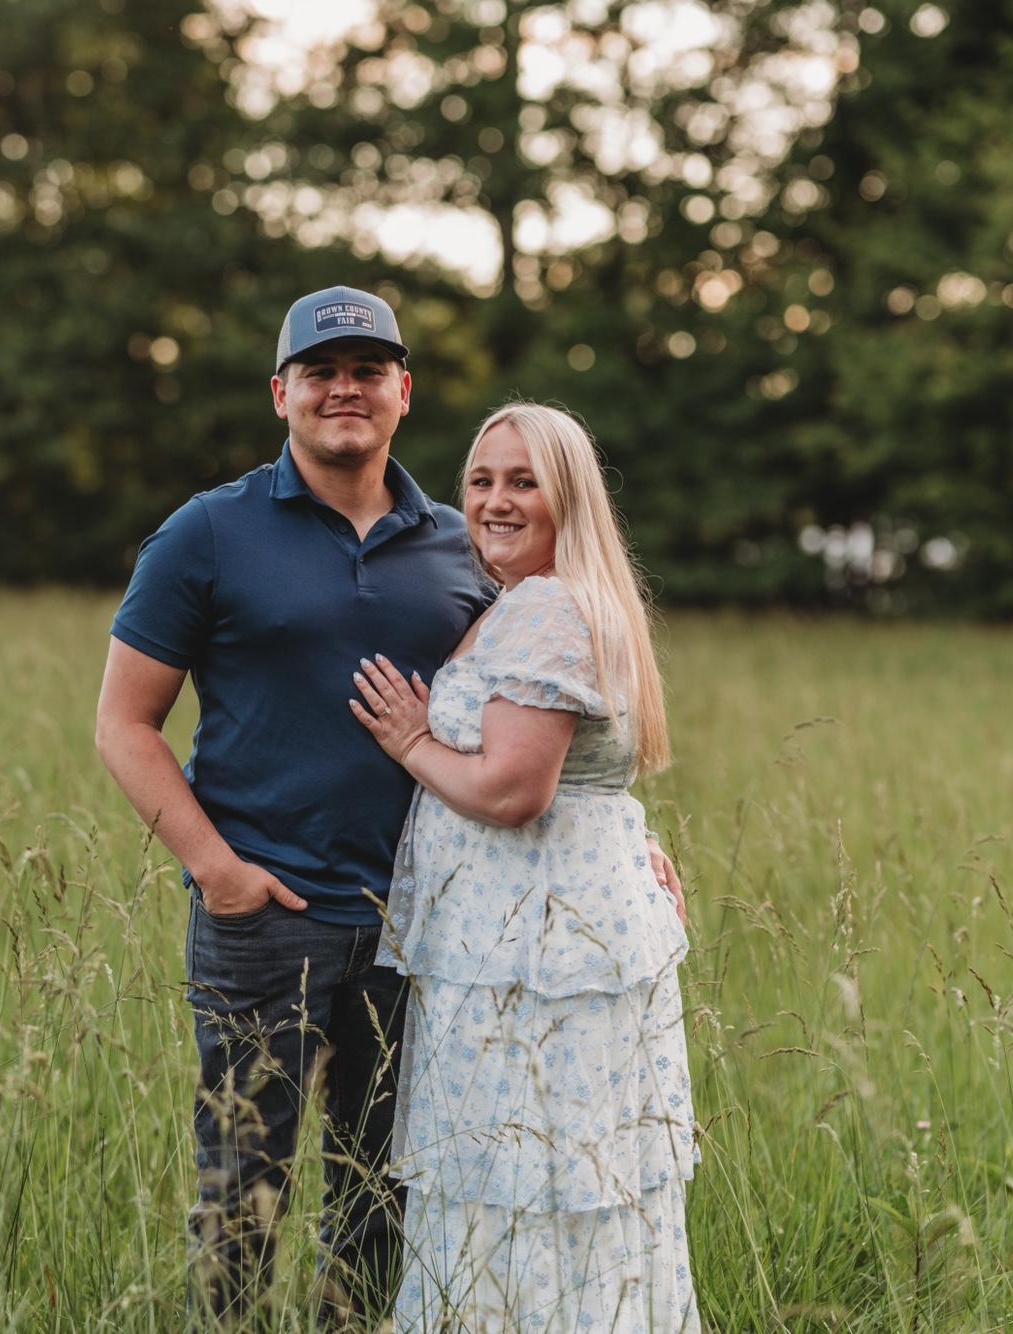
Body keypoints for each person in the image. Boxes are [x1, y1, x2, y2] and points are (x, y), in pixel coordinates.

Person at [95, 286, 684, 1326]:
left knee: (385, 1191)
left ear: (402, 391)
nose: (344, 389)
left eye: (367, 370)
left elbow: (545, 711)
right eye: (319, 372)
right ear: (280, 393)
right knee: (242, 1189)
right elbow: (122, 723)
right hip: (267, 916)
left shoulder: (468, 546)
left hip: (424, 934)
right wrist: (219, 872)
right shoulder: (208, 532)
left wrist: (617, 839)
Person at [350, 402, 700, 1331]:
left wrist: (413, 741)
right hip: (550, 938)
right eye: (481, 480)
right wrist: (633, 840)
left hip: (531, 958)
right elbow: (589, 777)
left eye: (523, 481)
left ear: (569, 496)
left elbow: (514, 791)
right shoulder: (555, 599)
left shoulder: (546, 607)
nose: (495, 501)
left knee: (523, 1182)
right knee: (561, 1185)